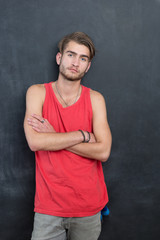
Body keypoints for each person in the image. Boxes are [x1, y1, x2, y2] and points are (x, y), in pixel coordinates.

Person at [24, 32, 112, 240]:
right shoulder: (37, 92)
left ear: (88, 66)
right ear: (59, 58)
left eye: (83, 58)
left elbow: (104, 151)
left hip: (88, 207)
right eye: (71, 55)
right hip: (48, 208)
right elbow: (35, 141)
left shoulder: (96, 99)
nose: (76, 63)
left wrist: (54, 136)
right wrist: (82, 135)